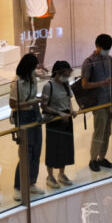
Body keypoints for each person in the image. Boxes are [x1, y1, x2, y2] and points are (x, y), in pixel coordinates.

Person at [82, 34, 112, 172]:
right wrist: (101, 83)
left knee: (108, 132)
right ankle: (93, 159)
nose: (107, 51)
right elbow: (84, 85)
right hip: (98, 102)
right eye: (105, 48)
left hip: (111, 99)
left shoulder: (110, 60)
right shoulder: (89, 62)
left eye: (109, 48)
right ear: (97, 46)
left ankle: (101, 157)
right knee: (99, 131)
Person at [10, 53, 43, 201]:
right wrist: (30, 103)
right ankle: (18, 186)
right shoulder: (16, 82)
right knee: (25, 153)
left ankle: (31, 183)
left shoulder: (33, 78)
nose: (35, 70)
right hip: (23, 116)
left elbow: (33, 96)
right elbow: (12, 104)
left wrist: (38, 101)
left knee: (36, 150)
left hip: (35, 113)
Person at [40, 60, 77, 188]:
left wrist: (71, 110)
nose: (66, 76)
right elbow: (44, 106)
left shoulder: (66, 84)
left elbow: (68, 99)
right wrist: (59, 113)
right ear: (58, 73)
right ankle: (50, 176)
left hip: (66, 119)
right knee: (52, 148)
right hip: (54, 121)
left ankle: (62, 174)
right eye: (65, 73)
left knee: (65, 147)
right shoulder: (48, 86)